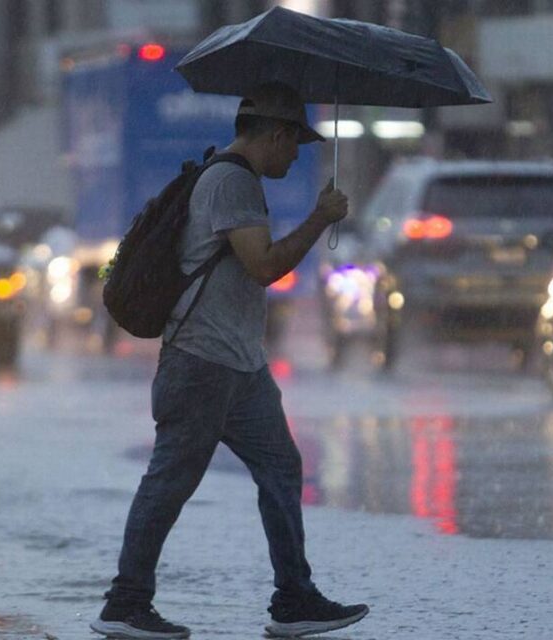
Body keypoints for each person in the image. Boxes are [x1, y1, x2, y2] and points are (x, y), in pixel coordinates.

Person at [90, 83, 369, 639]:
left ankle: (294, 599)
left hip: (240, 367)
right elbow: (263, 265)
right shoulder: (231, 182)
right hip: (202, 363)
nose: (296, 156)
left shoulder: (234, 180)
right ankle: (125, 604)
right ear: (275, 134)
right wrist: (318, 219)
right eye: (295, 145)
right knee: (170, 480)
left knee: (281, 468)